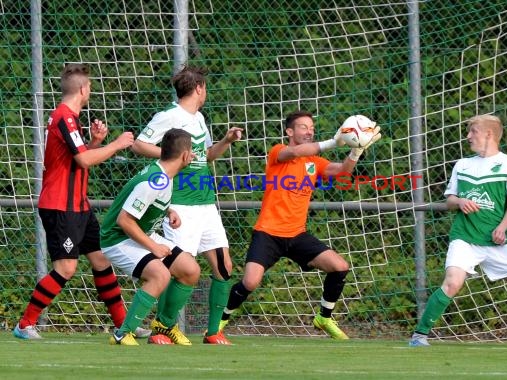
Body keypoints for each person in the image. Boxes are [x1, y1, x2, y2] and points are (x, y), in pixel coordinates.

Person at [13, 63, 150, 339]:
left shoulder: (69, 119)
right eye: (90, 87)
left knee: (101, 259)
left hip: (78, 206)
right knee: (66, 268)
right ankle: (25, 324)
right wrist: (116, 144)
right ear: (83, 89)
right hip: (61, 206)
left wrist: (97, 142)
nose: (90, 92)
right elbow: (83, 160)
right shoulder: (64, 117)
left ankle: (124, 325)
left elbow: (79, 160)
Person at [219, 110, 381, 339]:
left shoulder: (314, 162)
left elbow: (342, 172)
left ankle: (324, 318)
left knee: (340, 266)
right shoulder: (278, 152)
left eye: (312, 127)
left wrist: (357, 149)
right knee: (250, 282)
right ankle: (221, 320)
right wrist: (334, 142)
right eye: (304, 127)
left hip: (296, 235)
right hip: (268, 233)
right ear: (290, 131)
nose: (310, 130)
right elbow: (294, 151)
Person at [409, 114, 507, 348]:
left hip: (495, 241)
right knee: (452, 283)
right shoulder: (463, 164)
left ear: (489, 134)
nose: (468, 136)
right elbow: (449, 199)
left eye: (473, 131)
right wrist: (459, 202)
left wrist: (502, 228)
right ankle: (419, 336)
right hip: (465, 239)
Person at [132, 65, 242, 345]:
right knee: (181, 268)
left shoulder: (200, 118)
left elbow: (204, 157)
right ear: (199, 89)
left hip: (206, 204)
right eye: (205, 88)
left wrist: (226, 141)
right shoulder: (168, 116)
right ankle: (162, 328)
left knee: (224, 267)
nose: (206, 93)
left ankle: (213, 331)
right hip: (180, 204)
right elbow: (139, 145)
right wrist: (175, 154)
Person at [102, 128, 200, 345]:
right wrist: (153, 248)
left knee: (190, 270)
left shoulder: (163, 174)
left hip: (142, 234)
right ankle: (122, 333)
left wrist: (168, 210)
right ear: (184, 155)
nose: (192, 155)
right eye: (191, 151)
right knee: (160, 275)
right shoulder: (155, 180)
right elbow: (124, 220)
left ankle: (164, 327)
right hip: (117, 239)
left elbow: (148, 202)